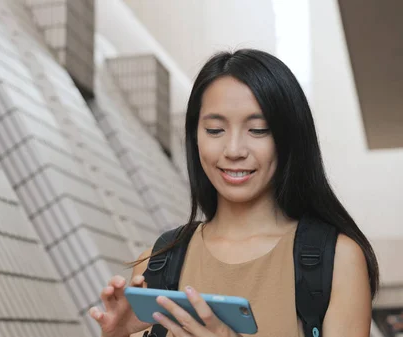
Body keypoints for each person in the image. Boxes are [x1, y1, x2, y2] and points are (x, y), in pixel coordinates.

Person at [88, 49, 379, 337]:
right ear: (195, 137)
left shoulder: (336, 260)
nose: (234, 150)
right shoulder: (156, 262)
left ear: (289, 137)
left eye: (258, 129)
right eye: (215, 130)